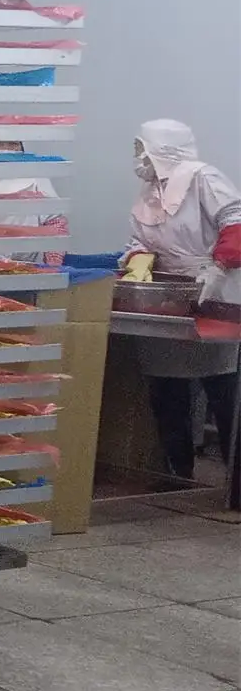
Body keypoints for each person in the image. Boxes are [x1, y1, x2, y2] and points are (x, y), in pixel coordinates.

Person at [119, 118, 241, 478]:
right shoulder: (150, 191)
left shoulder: (203, 178)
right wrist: (138, 259)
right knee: (166, 389)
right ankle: (177, 474)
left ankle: (234, 484)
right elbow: (139, 238)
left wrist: (219, 268)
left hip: (215, 290)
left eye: (142, 148)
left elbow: (236, 221)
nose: (138, 157)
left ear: (162, 148)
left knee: (223, 388)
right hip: (169, 296)